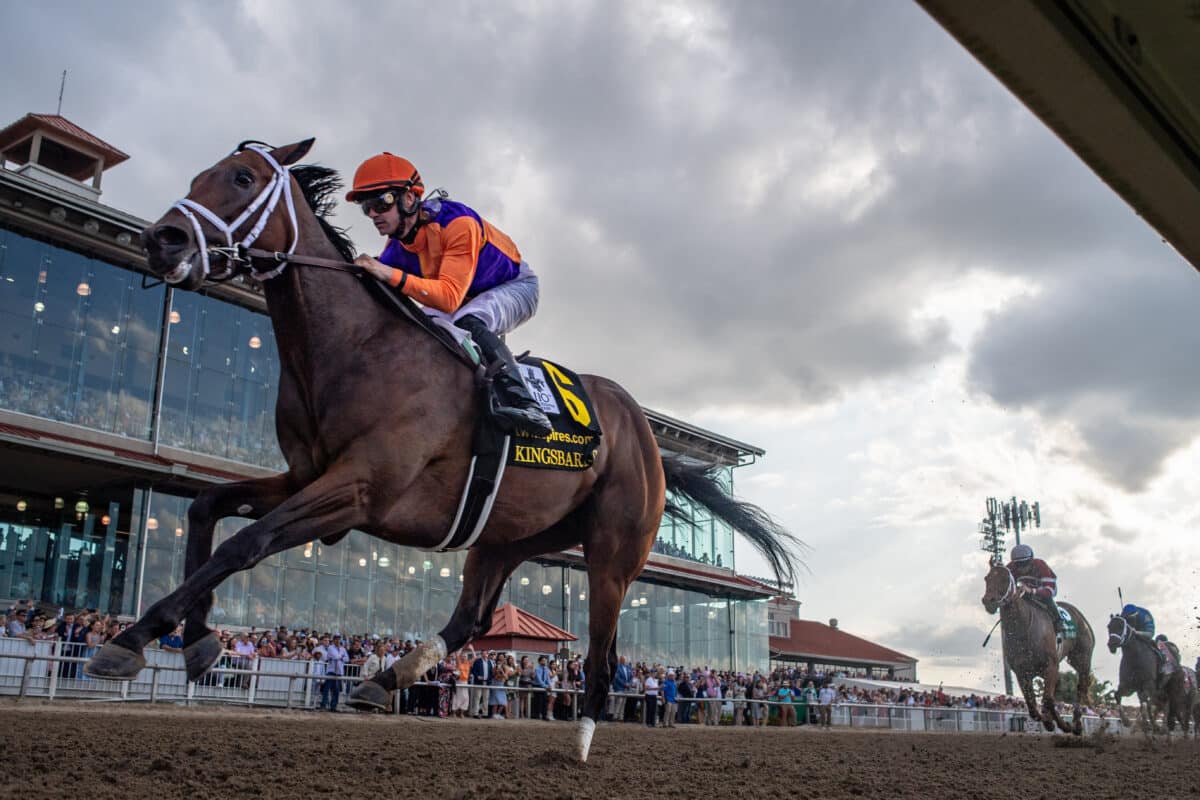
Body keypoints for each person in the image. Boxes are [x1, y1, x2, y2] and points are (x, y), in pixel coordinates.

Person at [348, 153, 552, 436]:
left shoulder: (458, 223)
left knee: (468, 320)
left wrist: (386, 273)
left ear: (409, 198)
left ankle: (528, 405)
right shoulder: (396, 249)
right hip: (464, 297)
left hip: (515, 287)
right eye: (365, 207)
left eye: (380, 202)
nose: (372, 214)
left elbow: (448, 299)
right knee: (416, 326)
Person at [1006, 544, 1064, 633]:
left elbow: (1050, 591)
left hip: (1044, 590)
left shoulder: (1040, 565)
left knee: (1046, 598)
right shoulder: (1010, 568)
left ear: (1031, 560)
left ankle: (1059, 621)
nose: (1022, 568)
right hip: (1024, 592)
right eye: (1018, 564)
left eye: (1025, 563)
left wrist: (1032, 590)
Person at [320, 635, 349, 712]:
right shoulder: (330, 648)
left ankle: (333, 706)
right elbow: (336, 656)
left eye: (339, 639)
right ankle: (323, 705)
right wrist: (341, 657)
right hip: (331, 671)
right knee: (327, 689)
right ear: (333, 640)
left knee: (336, 690)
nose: (338, 640)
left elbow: (347, 659)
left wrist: (341, 657)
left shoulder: (343, 649)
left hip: (339, 672)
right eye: (336, 639)